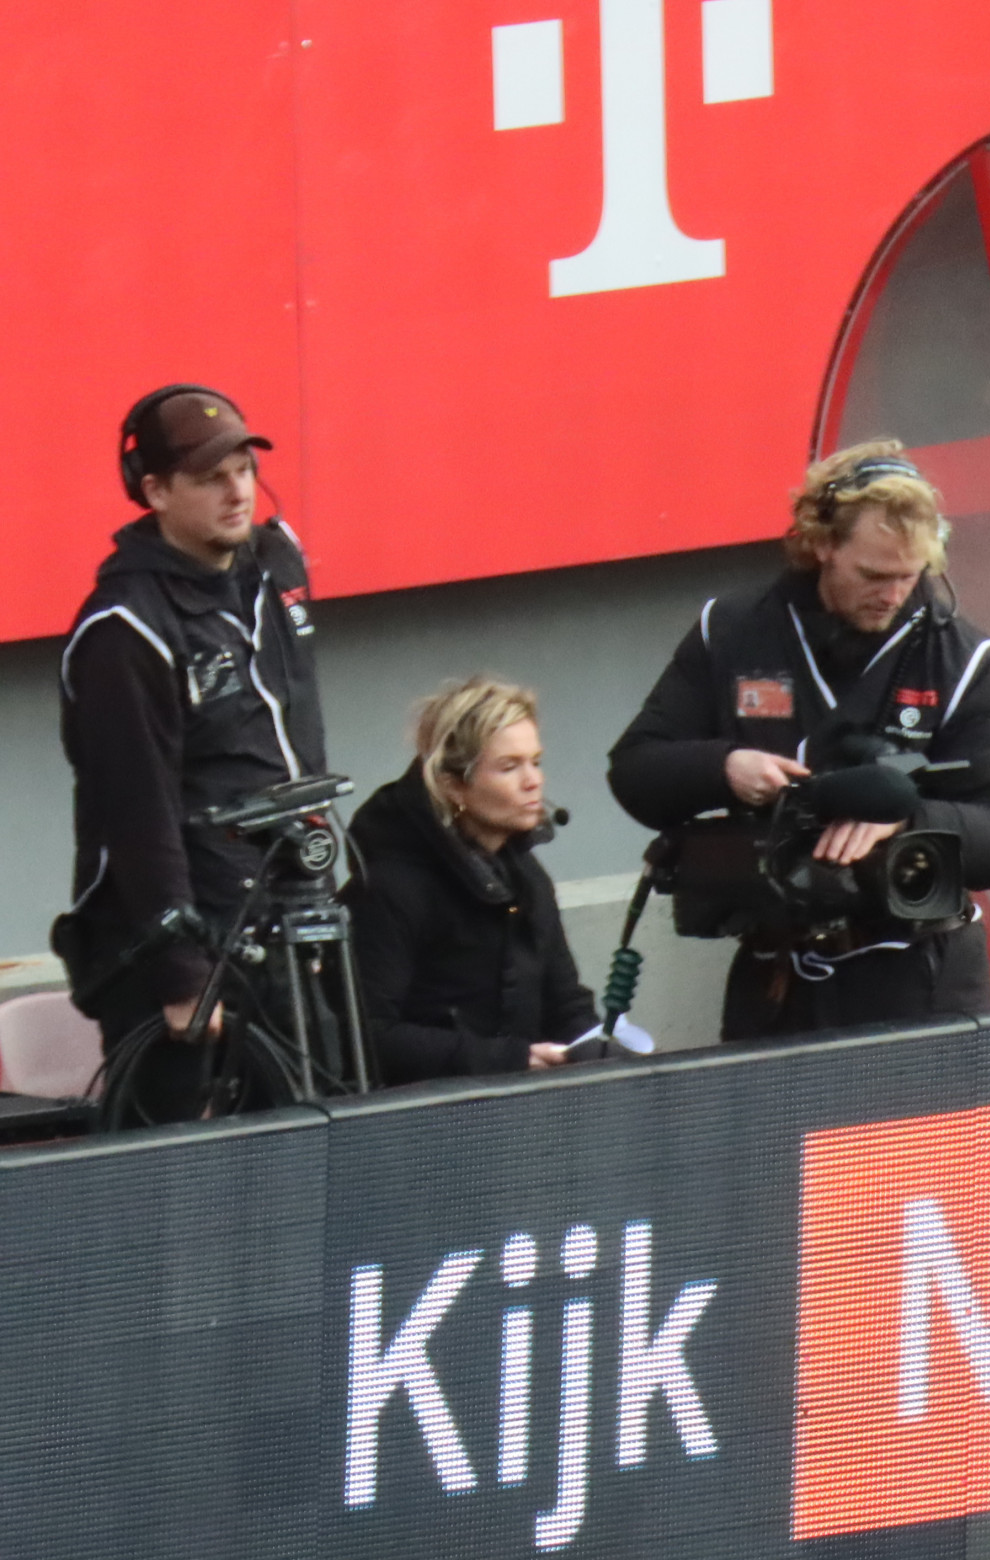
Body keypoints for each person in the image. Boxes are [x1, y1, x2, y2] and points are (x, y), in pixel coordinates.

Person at [608, 444, 990, 1040]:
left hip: (921, 978)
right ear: (821, 545)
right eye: (872, 575)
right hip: (776, 976)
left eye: (909, 576)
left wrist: (907, 821)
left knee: (916, 1138)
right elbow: (634, 771)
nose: (892, 594)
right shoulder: (733, 632)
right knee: (768, 1138)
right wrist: (724, 767)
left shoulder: (965, 660)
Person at [54, 386, 325, 1124]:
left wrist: (322, 893)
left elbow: (300, 747)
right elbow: (134, 813)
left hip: (286, 922)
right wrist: (180, 972)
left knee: (322, 1152)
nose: (237, 490)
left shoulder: (274, 568)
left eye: (242, 468)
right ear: (156, 492)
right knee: (182, 1193)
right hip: (180, 950)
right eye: (210, 478)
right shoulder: (123, 630)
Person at [340, 679, 598, 1085]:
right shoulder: (391, 888)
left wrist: (597, 1046)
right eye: (509, 766)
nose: (533, 781)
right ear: (453, 785)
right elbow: (368, 1035)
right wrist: (509, 1059)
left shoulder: (527, 875)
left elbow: (565, 1000)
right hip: (420, 1119)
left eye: (536, 761)